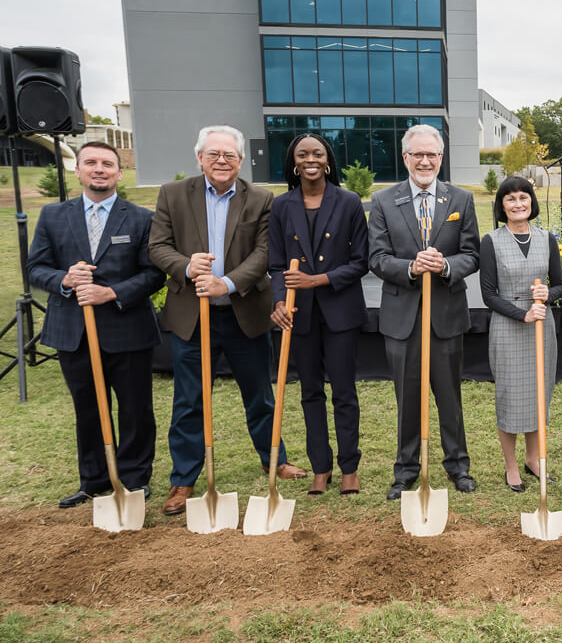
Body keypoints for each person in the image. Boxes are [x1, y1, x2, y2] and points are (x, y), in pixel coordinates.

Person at [150, 125, 306, 516]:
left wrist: (229, 283)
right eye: (214, 154)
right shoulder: (173, 195)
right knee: (188, 401)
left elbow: (265, 250)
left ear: (241, 160)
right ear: (199, 157)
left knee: (260, 396)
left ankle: (275, 459)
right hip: (192, 316)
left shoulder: (260, 199)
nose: (222, 161)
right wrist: (187, 267)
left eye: (230, 155)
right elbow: (158, 246)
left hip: (243, 313)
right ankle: (183, 479)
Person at [27, 142, 165, 509]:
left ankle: (135, 478)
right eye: (91, 162)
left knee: (135, 409)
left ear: (119, 173)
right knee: (87, 408)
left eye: (108, 163)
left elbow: (154, 275)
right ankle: (95, 480)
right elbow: (35, 269)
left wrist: (112, 293)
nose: (99, 169)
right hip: (74, 333)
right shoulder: (53, 216)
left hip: (128, 331)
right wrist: (65, 280)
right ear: (79, 170)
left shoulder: (140, 218)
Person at [369, 124, 480, 498]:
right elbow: (377, 258)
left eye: (432, 154)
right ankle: (405, 470)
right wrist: (411, 268)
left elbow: (471, 254)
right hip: (403, 319)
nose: (425, 160)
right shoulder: (383, 201)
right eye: (418, 154)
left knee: (449, 396)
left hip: (446, 316)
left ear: (441, 157)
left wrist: (445, 267)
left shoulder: (460, 200)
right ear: (406, 158)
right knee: (408, 398)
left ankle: (457, 466)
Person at [268, 133, 368, 497]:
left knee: (344, 391)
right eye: (302, 154)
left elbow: (361, 262)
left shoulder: (349, 202)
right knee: (310, 392)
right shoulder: (281, 207)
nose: (310, 159)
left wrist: (317, 279)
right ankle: (320, 468)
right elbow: (277, 264)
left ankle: (349, 469)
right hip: (299, 315)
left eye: (317, 153)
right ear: (293, 163)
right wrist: (280, 302)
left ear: (328, 161)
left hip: (340, 312)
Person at [479, 177, 562, 492]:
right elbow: (488, 294)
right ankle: (511, 466)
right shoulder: (491, 241)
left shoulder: (546, 239)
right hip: (508, 326)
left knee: (538, 394)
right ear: (501, 205)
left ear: (532, 202)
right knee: (510, 396)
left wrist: (548, 294)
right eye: (511, 199)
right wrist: (522, 313)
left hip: (542, 325)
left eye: (523, 198)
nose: (518, 204)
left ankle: (533, 459)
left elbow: (559, 283)